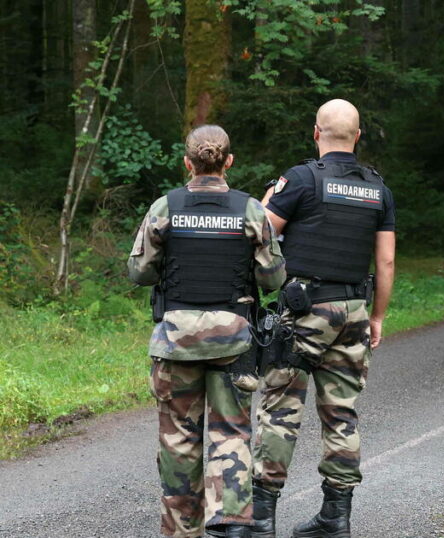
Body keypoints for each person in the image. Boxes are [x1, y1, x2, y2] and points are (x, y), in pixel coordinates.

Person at [128, 125, 286, 538]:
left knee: (179, 442)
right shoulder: (250, 210)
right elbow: (273, 279)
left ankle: (183, 531)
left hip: (175, 341)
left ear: (188, 162)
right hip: (232, 341)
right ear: (228, 161)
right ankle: (231, 526)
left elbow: (139, 271)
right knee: (230, 432)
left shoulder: (166, 206)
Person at [251, 99, 396, 538]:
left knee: (280, 411)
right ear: (357, 136)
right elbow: (385, 263)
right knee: (342, 413)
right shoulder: (378, 188)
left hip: (304, 311)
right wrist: (378, 317)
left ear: (316, 133)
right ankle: (336, 517)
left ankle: (260, 519)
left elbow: (258, 230)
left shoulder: (299, 180)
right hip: (353, 311)